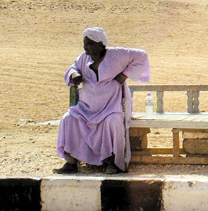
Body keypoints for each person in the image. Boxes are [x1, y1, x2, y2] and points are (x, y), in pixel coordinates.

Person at [55, 27, 150, 174]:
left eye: (90, 44)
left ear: (100, 44)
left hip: (111, 106)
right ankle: (71, 161)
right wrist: (74, 74)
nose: (86, 47)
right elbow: (72, 68)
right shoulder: (83, 58)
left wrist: (126, 74)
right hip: (86, 108)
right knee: (68, 119)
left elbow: (142, 56)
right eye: (85, 43)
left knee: (113, 121)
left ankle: (112, 161)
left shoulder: (118, 54)